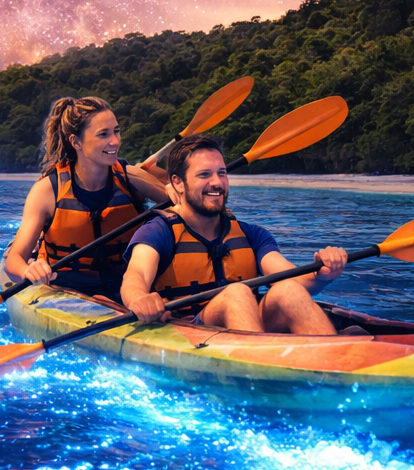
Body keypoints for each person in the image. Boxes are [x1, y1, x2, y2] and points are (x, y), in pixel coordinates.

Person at [120, 134, 348, 334]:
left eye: (222, 173)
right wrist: (139, 298)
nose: (217, 183)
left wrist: (324, 273)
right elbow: (135, 275)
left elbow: (291, 277)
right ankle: (258, 375)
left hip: (246, 325)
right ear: (178, 183)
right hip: (188, 328)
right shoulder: (158, 231)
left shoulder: (251, 234)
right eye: (204, 175)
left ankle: (339, 369)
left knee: (288, 290)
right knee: (237, 293)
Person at [3, 96, 171, 300]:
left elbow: (182, 205)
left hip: (127, 286)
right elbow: (14, 260)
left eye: (116, 131)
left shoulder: (131, 177)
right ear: (76, 142)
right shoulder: (47, 191)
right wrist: (28, 271)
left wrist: (170, 182)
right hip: (67, 289)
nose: (115, 141)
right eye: (103, 134)